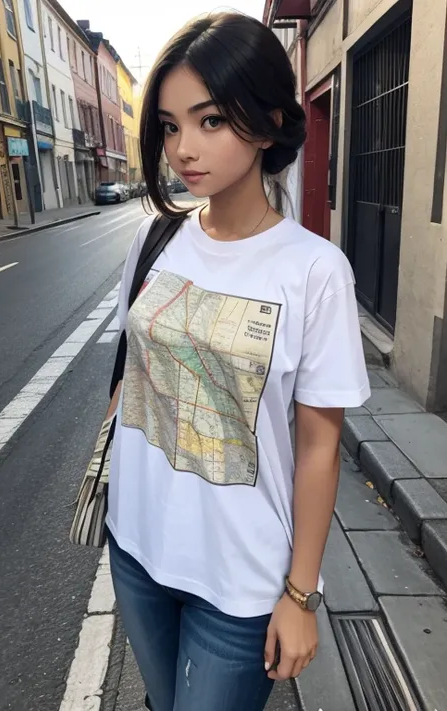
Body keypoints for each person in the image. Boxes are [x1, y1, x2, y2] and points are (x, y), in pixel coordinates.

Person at [106, 11, 370, 711]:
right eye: (169, 125)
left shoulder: (315, 270)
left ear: (269, 118)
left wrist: (299, 593)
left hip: (241, 580)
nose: (184, 149)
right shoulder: (156, 240)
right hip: (135, 548)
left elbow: (320, 443)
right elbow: (131, 373)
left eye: (211, 119)